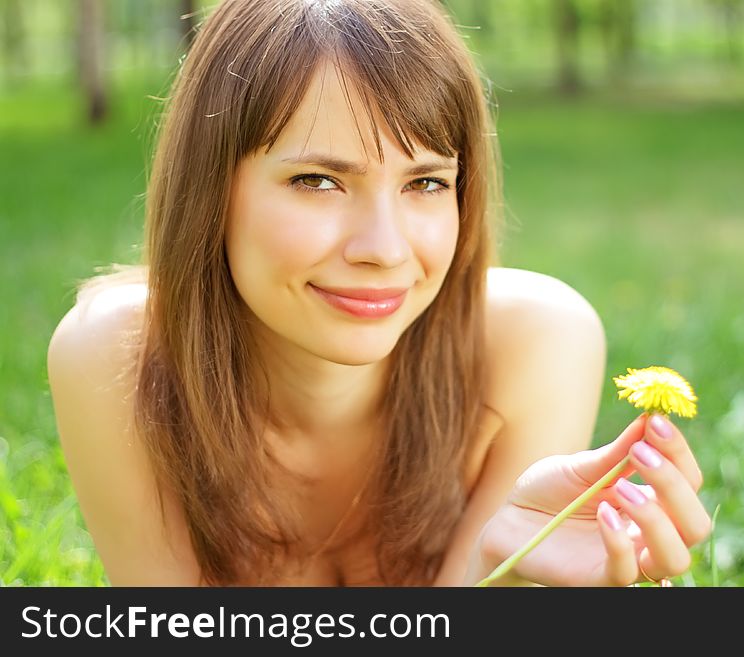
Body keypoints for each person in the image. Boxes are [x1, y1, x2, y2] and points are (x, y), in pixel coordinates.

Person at [47, 0, 710, 587]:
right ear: (211, 191)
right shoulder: (117, 359)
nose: (385, 249)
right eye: (317, 180)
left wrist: (500, 577)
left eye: (424, 183)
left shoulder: (539, 342)